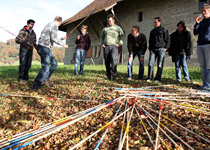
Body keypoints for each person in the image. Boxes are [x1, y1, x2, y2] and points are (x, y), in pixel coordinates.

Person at [32, 16, 68, 90]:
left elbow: (51, 37)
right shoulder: (54, 25)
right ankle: (36, 85)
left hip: (45, 47)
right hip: (44, 47)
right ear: (60, 22)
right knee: (45, 67)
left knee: (54, 64)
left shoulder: (50, 24)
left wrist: (61, 39)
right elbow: (54, 38)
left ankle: (45, 80)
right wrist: (63, 44)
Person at [100, 14, 124, 80]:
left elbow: (122, 35)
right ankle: (108, 75)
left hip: (114, 46)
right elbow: (101, 36)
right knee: (107, 61)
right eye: (108, 21)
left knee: (114, 60)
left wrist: (119, 43)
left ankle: (114, 75)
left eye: (110, 21)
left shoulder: (118, 28)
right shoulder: (105, 29)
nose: (109, 22)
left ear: (113, 20)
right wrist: (102, 43)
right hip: (106, 46)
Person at [147, 17, 170, 83]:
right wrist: (150, 48)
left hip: (161, 49)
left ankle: (157, 78)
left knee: (160, 64)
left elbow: (168, 40)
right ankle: (149, 77)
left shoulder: (164, 30)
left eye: (155, 22)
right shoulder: (152, 31)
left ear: (159, 22)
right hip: (153, 50)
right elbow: (150, 40)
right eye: (154, 22)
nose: (154, 23)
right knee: (150, 63)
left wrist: (166, 48)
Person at [194, 4, 210, 90]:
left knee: (209, 65)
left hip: (208, 44)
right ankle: (204, 84)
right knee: (203, 66)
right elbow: (195, 32)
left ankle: (207, 85)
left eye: (205, 11)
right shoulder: (202, 21)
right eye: (202, 11)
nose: (203, 13)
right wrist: (197, 23)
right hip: (200, 45)